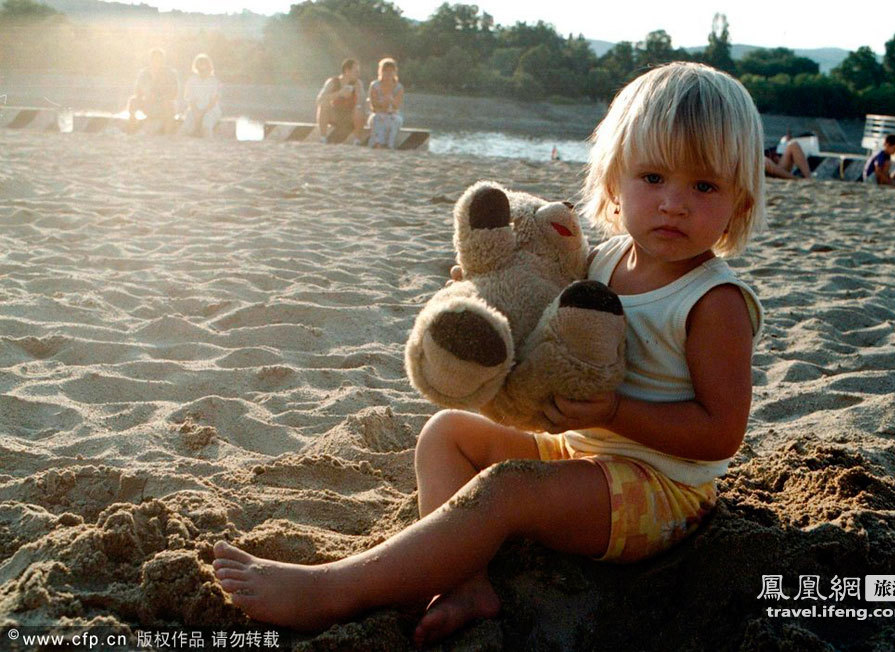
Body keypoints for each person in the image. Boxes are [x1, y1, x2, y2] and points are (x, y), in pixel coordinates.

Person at [212, 62, 765, 647]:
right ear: (612, 181)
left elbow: (720, 433)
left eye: (703, 186)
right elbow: (536, 323)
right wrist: (487, 288)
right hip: (578, 451)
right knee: (446, 431)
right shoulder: (602, 261)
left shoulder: (714, 301)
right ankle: (468, 581)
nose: (674, 204)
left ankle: (335, 590)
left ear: (740, 200)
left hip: (659, 492)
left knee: (506, 488)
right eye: (653, 177)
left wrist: (611, 413)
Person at [127, 48, 179, 135]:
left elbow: (174, 93)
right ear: (150, 60)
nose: (157, 61)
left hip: (163, 103)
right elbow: (137, 91)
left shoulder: (170, 73)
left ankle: (168, 134)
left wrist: (162, 98)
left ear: (163, 60)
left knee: (169, 105)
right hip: (147, 102)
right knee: (133, 101)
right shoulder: (143, 73)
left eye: (159, 59)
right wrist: (145, 97)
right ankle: (131, 130)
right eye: (154, 59)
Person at [316, 58, 365, 144]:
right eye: (356, 71)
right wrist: (339, 94)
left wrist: (358, 94)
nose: (358, 74)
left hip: (350, 115)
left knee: (359, 108)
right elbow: (319, 99)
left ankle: (357, 140)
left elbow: (362, 102)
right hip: (335, 115)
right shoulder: (333, 82)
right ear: (347, 71)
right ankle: (323, 138)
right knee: (323, 105)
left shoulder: (358, 83)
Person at [367, 58, 404, 149]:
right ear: (381, 72)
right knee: (377, 118)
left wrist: (391, 100)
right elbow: (374, 106)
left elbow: (397, 106)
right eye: (385, 71)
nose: (388, 73)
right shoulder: (374, 85)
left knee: (394, 120)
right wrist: (383, 103)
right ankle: (377, 144)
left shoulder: (399, 87)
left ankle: (390, 146)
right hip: (378, 113)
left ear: (395, 72)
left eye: (391, 71)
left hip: (393, 115)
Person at [181, 53, 221, 138]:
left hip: (211, 110)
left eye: (204, 64)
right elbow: (190, 99)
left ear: (209, 66)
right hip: (194, 109)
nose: (202, 67)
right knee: (184, 129)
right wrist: (196, 112)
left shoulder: (214, 81)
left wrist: (202, 113)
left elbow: (213, 101)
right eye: (199, 65)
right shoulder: (191, 80)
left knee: (206, 127)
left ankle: (209, 146)